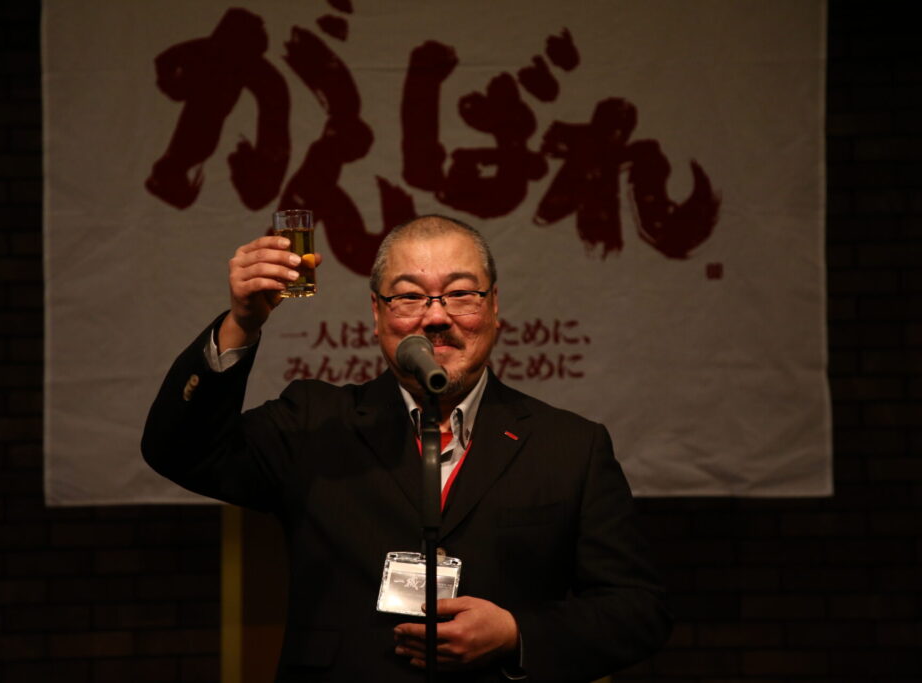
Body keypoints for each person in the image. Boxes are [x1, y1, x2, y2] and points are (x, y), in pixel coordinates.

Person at [142, 214, 670, 681]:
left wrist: (516, 633)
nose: (435, 317)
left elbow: (638, 610)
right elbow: (179, 450)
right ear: (376, 314)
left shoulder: (570, 447)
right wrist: (241, 323)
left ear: (493, 308)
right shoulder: (315, 423)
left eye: (460, 294)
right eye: (410, 297)